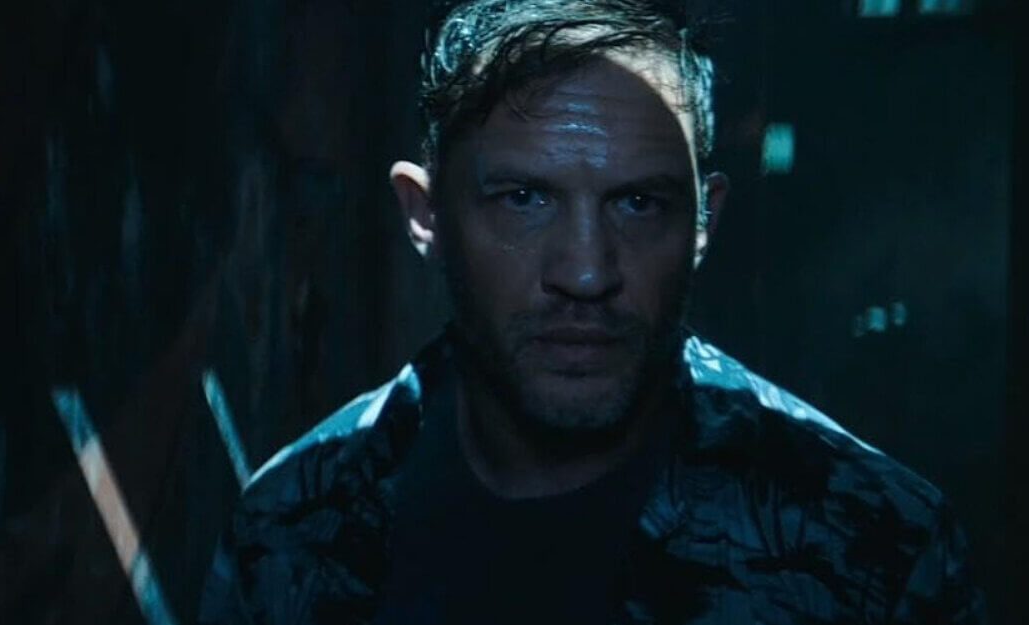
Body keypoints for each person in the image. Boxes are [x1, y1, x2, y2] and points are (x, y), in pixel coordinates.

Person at [199, 1, 988, 623]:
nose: (585, 271)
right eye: (524, 198)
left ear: (704, 221)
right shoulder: (295, 523)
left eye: (639, 203)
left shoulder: (870, 541)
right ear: (426, 214)